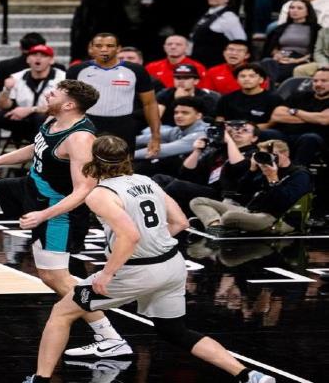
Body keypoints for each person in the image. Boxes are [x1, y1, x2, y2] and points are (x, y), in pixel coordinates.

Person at [24, 135, 276, 383]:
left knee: (62, 313)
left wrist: (107, 273)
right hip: (172, 265)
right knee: (175, 331)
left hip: (136, 271)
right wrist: (152, 241)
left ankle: (40, 379)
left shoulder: (100, 194)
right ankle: (248, 375)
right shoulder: (147, 181)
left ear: (93, 160)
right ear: (127, 158)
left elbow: (130, 236)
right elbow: (180, 222)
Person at [0, 80, 133, 358]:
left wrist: (43, 214)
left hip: (58, 209)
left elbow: (83, 190)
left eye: (55, 93)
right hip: (30, 188)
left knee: (55, 278)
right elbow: (36, 148)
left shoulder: (80, 139)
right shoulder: (53, 119)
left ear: (69, 105)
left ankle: (110, 337)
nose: (49, 93)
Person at [190, 139, 312, 236]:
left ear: (285, 154)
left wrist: (273, 178)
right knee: (197, 201)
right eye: (262, 154)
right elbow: (241, 192)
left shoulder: (300, 175)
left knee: (230, 216)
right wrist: (252, 170)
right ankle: (216, 228)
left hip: (275, 218)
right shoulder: (265, 168)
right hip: (250, 211)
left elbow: (283, 202)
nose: (266, 158)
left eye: (270, 155)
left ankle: (213, 223)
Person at [67, 32, 160, 155]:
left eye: (110, 46)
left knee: (123, 165)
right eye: (99, 46)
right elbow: (67, 103)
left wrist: (156, 136)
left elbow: (150, 104)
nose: (104, 49)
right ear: (91, 48)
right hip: (86, 124)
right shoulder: (76, 70)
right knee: (85, 164)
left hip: (123, 125)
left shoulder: (136, 70)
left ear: (118, 49)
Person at [0, 44, 64, 170]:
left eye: (43, 56)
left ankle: (42, 159)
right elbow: (2, 106)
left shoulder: (62, 78)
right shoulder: (17, 77)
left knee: (40, 117)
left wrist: (30, 110)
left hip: (50, 122)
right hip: (23, 121)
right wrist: (6, 90)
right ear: (28, 59)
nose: (38, 58)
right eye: (34, 55)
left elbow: (60, 107)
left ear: (51, 60)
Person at [153, 121, 259, 215]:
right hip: (206, 189)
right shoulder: (220, 151)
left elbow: (238, 167)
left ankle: (155, 213)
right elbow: (186, 172)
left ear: (254, 138)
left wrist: (228, 139)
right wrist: (197, 151)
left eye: (245, 130)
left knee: (177, 186)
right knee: (160, 179)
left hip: (226, 196)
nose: (239, 131)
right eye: (236, 129)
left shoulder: (254, 154)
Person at [270, 67, 329, 166]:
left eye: (324, 81)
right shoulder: (299, 96)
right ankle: (268, 168)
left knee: (310, 138)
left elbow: (324, 120)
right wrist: (313, 118)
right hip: (287, 136)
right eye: (315, 81)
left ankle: (297, 171)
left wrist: (295, 111)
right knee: (270, 133)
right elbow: (276, 115)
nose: (318, 84)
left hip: (316, 140)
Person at [261, 0, 320, 86]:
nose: (294, 10)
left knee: (282, 71)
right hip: (282, 57)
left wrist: (296, 60)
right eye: (292, 8)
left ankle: (272, 87)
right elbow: (272, 46)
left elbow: (317, 51)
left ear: (307, 12)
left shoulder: (316, 30)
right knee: (265, 63)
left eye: (299, 8)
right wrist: (276, 54)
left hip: (301, 59)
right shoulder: (280, 28)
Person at [135, 96, 208, 161]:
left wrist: (129, 156)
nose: (179, 116)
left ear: (198, 116)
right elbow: (149, 138)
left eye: (185, 113)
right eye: (176, 113)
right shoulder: (177, 130)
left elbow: (160, 151)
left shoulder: (200, 134)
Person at [190, 0, 247, 68]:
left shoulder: (228, 17)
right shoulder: (207, 14)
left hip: (214, 63)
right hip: (199, 62)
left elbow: (240, 39)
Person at [215, 63, 282, 131]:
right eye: (242, 76)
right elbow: (220, 120)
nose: (246, 79)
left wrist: (247, 130)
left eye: (252, 76)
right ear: (237, 80)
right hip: (230, 133)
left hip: (261, 133)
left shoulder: (273, 99)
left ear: (261, 80)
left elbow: (273, 124)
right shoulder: (226, 99)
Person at [117, 46, 163, 133]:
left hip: (141, 125)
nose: (125, 61)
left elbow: (155, 109)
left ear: (141, 61)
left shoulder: (153, 83)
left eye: (130, 58)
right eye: (121, 58)